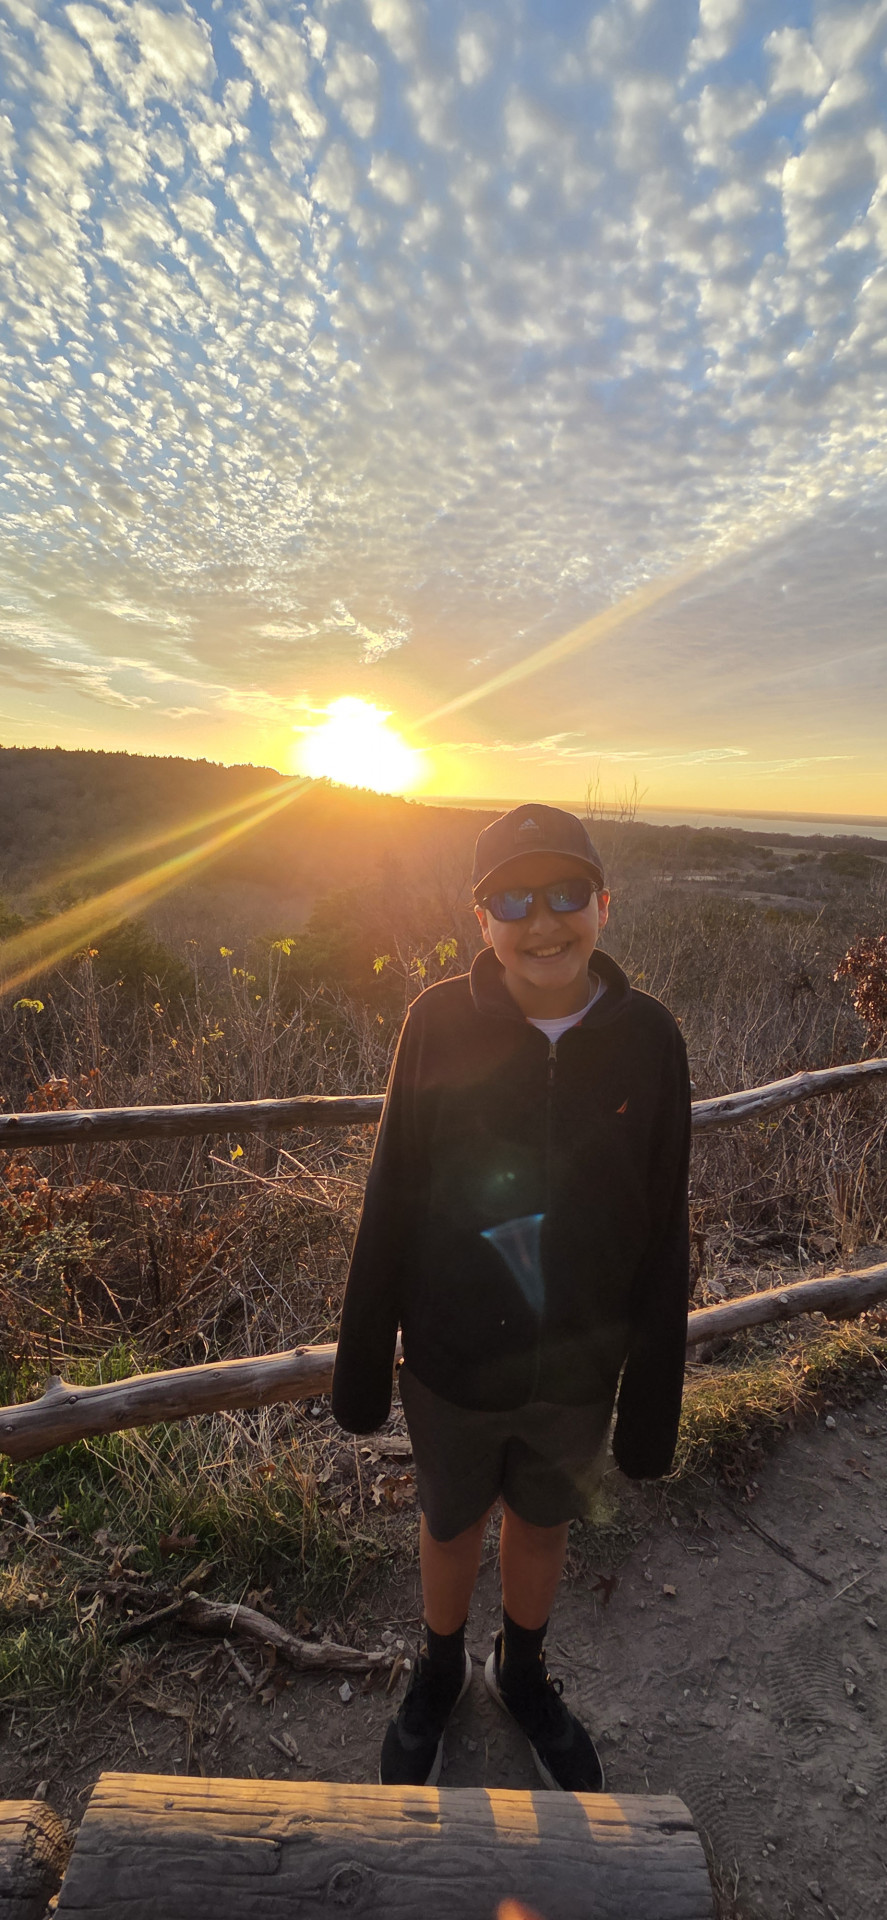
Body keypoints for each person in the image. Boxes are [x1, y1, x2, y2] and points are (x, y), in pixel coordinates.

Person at [331, 803, 691, 1791]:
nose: (543, 921)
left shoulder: (649, 1038)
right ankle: (439, 1668)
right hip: (451, 1355)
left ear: (604, 905)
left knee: (541, 1523)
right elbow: (391, 1192)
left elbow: (664, 1221)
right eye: (514, 900)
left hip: (579, 1361)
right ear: (480, 919)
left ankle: (520, 1670)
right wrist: (361, 1366)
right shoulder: (436, 1022)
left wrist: (649, 1398)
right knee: (449, 1522)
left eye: (566, 893)